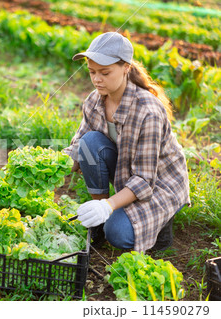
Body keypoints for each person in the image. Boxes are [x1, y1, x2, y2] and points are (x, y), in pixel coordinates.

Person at [63, 32, 190, 252]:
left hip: (160, 184)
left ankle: (161, 228)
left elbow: (144, 179)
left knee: (118, 234)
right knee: (89, 142)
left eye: (105, 72)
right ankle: (99, 222)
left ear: (126, 68)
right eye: (92, 72)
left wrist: (109, 205)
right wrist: (50, 168)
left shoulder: (147, 111)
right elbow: (79, 146)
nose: (97, 79)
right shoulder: (94, 100)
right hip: (126, 170)